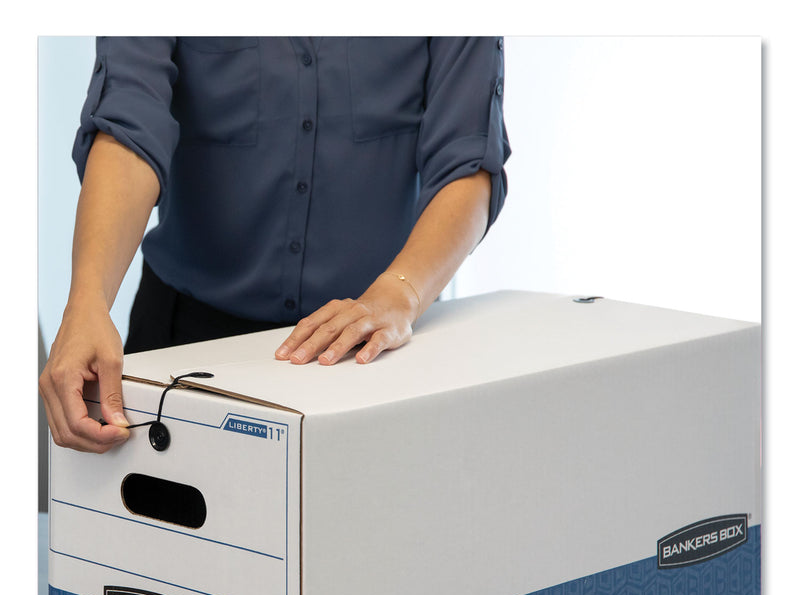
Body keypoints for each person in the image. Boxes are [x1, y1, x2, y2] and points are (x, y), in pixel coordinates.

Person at [40, 36, 511, 453]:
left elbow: (468, 157)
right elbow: (129, 124)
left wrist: (402, 292)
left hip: (372, 348)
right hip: (185, 336)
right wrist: (87, 302)